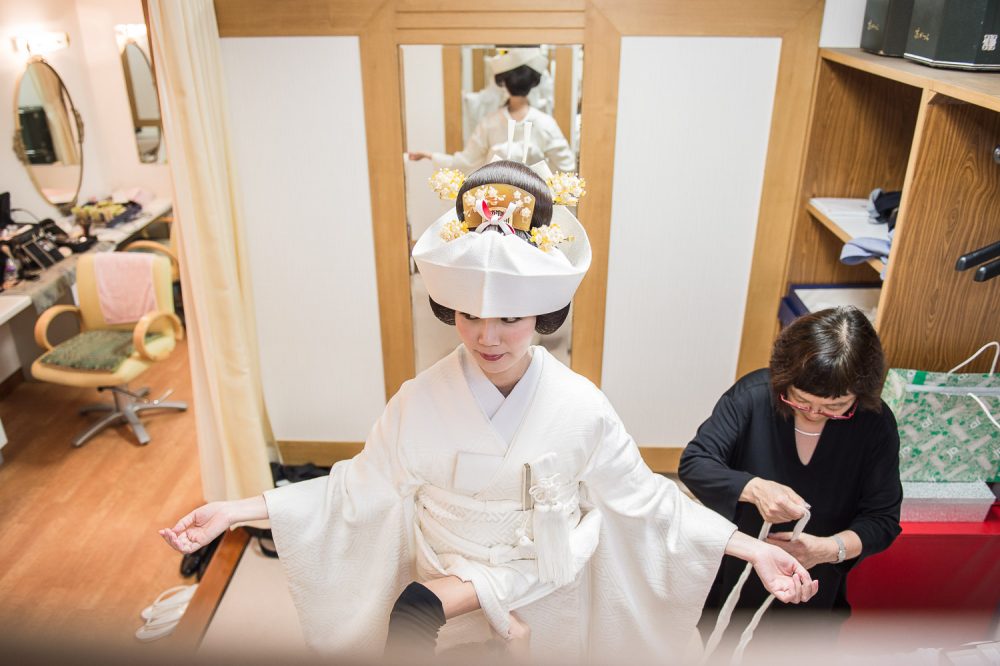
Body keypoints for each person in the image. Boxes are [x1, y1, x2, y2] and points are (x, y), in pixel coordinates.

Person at [160, 159, 817, 662]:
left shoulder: (579, 405)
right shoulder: (420, 400)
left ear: (542, 314)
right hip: (448, 574)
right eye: (471, 315)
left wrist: (747, 550)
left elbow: (645, 499)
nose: (488, 337)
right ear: (452, 310)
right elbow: (353, 491)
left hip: (544, 582)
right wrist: (235, 510)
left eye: (510, 318)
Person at [679, 306, 902, 649]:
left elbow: (883, 520)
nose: (814, 413)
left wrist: (828, 549)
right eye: (800, 400)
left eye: (835, 406)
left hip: (815, 584)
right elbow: (695, 462)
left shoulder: (874, 423)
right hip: (735, 569)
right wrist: (752, 488)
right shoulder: (753, 396)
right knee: (718, 645)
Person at [408, 47, 577, 173]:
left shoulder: (492, 122)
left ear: (504, 84)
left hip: (534, 206)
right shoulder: (544, 123)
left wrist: (430, 155)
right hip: (496, 204)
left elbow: (466, 161)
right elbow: (566, 166)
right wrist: (430, 155)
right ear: (532, 83)